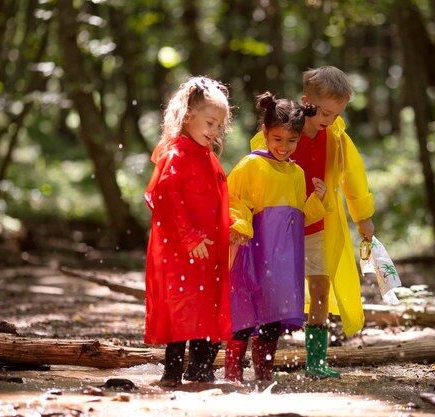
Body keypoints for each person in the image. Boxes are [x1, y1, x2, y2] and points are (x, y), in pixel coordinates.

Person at [250, 66, 375, 379]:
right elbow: (256, 171)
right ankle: (263, 362)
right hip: (282, 230)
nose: (329, 120)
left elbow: (353, 178)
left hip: (319, 225)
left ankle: (316, 361)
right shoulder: (281, 130)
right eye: (325, 112)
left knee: (320, 287)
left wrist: (363, 217)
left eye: (336, 114)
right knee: (274, 291)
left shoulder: (336, 139)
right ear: (306, 101)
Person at [226, 92, 330, 382]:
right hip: (253, 253)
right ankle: (232, 376)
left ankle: (264, 376)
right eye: (277, 139)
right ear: (265, 133)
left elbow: (299, 217)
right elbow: (233, 200)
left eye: (291, 141)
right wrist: (240, 227)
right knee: (245, 316)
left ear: (299, 137)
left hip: (284, 261)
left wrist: (316, 199)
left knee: (272, 320)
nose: (284, 147)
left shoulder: (296, 173)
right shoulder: (250, 165)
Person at [143, 76, 233, 388]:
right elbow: (166, 197)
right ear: (188, 116)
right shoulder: (177, 153)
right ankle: (172, 373)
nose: (214, 131)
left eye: (219, 126)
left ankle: (201, 370)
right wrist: (189, 236)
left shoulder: (205, 154)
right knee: (183, 305)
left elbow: (218, 199)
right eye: (210, 122)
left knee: (206, 303)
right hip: (182, 249)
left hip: (208, 250)